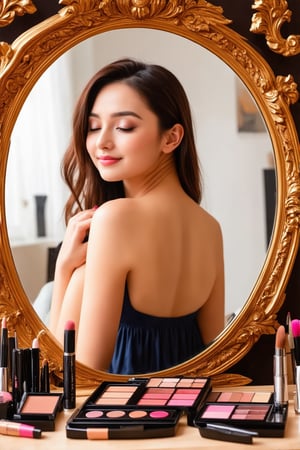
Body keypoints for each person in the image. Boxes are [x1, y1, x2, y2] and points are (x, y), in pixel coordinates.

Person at [49, 58, 225, 374]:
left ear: (171, 137)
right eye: (93, 127)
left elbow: (77, 374)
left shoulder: (115, 218)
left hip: (123, 417)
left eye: (124, 127)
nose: (101, 141)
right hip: (187, 413)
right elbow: (215, 357)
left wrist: (65, 272)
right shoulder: (210, 228)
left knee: (81, 278)